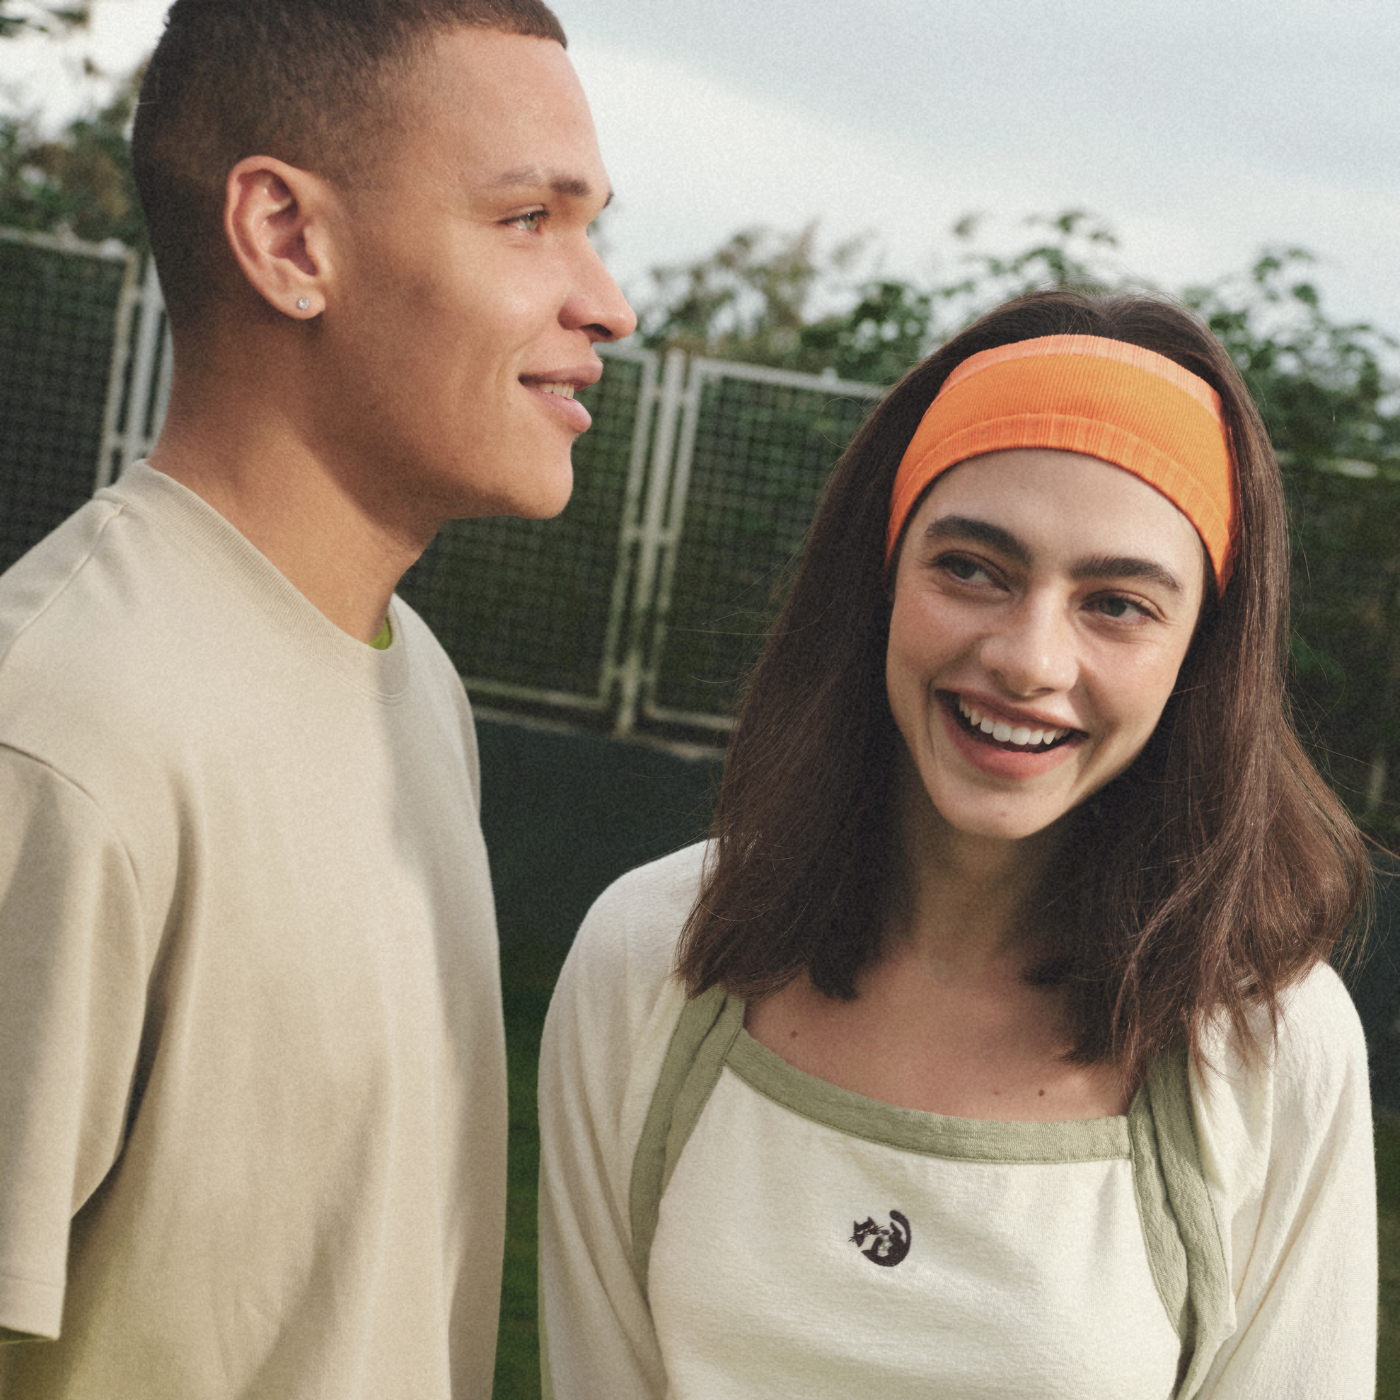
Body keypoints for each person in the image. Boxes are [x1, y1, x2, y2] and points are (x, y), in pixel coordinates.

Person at [538, 290, 1376, 1398]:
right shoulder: (649, 952)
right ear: (882, 576)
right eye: (972, 568)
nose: (1028, 659)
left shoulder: (1272, 1042)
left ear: (1199, 657)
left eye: (1117, 603)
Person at [0, 0, 634, 1394]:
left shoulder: (421, 687)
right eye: (528, 219)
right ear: (288, 240)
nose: (607, 302)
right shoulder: (59, 739)